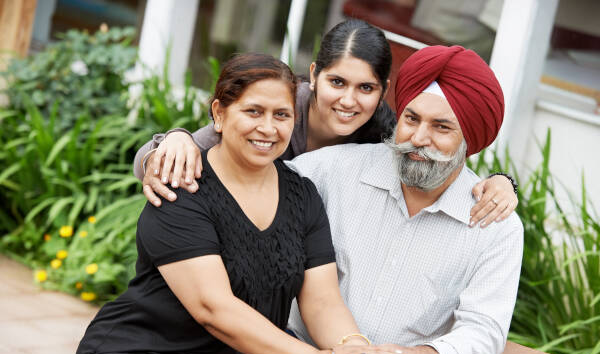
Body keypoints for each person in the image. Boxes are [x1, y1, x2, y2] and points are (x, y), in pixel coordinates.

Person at [70, 53, 405, 354]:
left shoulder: (303, 196)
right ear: (219, 113)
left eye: (282, 115)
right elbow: (214, 308)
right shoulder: (182, 187)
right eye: (253, 111)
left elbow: (322, 302)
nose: (268, 128)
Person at [286, 45, 523, 354]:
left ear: (469, 141)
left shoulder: (495, 227)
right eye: (411, 119)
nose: (418, 138)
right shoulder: (328, 172)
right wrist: (181, 142)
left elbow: (484, 328)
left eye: (441, 127)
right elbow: (244, 182)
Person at [133, 19, 518, 227]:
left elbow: (437, 159)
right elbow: (153, 159)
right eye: (337, 82)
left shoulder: (384, 133)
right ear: (314, 74)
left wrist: (501, 181)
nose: (348, 101)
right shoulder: (280, 111)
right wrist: (172, 141)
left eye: (365, 87)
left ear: (383, 90)